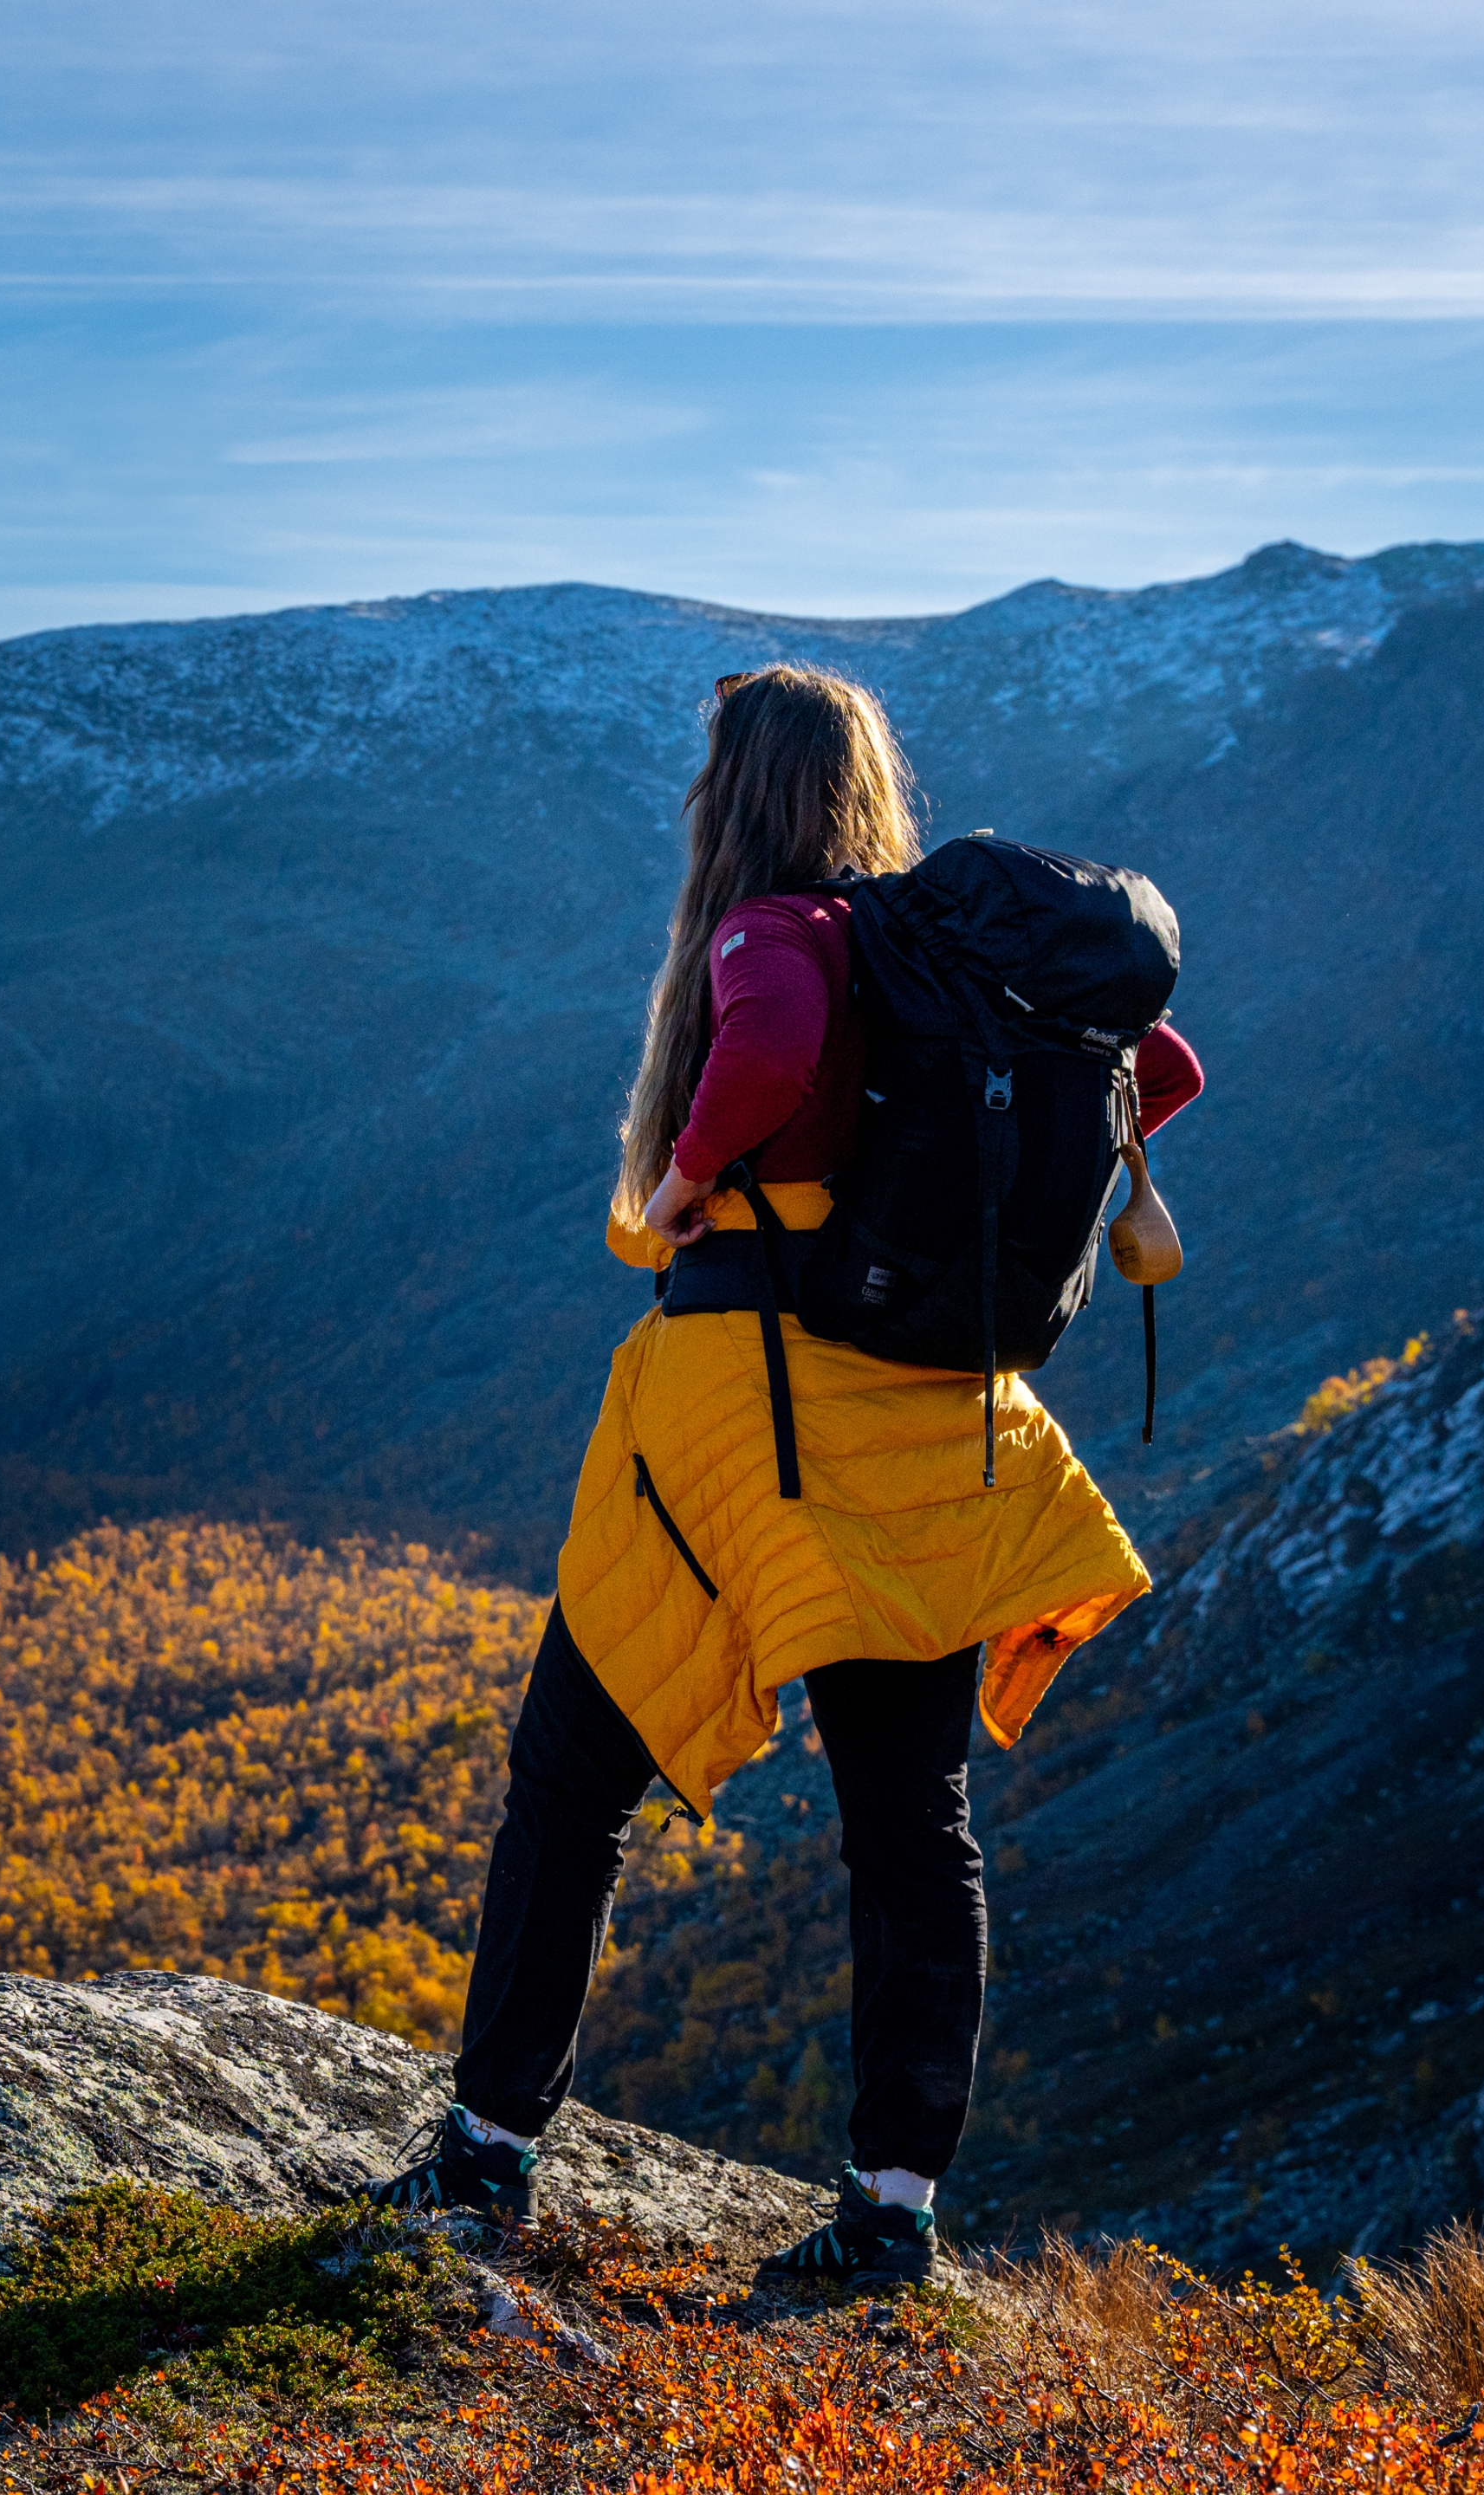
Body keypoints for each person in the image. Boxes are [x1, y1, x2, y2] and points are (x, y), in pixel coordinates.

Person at [360, 665, 1202, 2283]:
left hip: (749, 1439)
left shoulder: (780, 939)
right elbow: (1162, 1073)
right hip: (935, 1438)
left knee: (571, 1789)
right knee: (911, 1822)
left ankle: (486, 2155)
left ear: (732, 799)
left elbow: (769, 1049)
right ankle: (895, 2213)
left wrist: (682, 1185)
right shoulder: (952, 957)